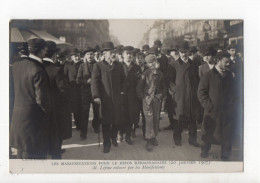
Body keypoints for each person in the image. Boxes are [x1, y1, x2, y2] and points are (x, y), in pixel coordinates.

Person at [10, 38, 51, 159]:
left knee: (21, 154)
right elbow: (41, 99)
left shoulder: (16, 65)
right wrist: (49, 112)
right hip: (34, 121)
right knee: (35, 158)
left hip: (18, 117)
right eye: (45, 49)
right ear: (42, 50)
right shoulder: (38, 69)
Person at [198, 51, 235, 160]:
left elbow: (234, 92)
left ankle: (225, 154)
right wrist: (209, 107)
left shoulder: (229, 75)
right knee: (209, 133)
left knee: (227, 133)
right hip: (212, 112)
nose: (228, 64)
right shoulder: (208, 75)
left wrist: (232, 106)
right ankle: (205, 150)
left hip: (227, 111)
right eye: (226, 62)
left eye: (229, 62)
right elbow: (201, 93)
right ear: (218, 61)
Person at [91, 41, 125, 153]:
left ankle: (113, 137)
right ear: (104, 54)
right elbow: (94, 82)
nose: (113, 54)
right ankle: (107, 143)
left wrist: (122, 91)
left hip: (117, 99)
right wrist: (96, 96)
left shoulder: (119, 65)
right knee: (106, 122)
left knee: (117, 121)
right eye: (110, 52)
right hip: (105, 99)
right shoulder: (98, 66)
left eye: (113, 52)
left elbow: (124, 80)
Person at [167, 41, 201, 147]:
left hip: (191, 96)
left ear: (188, 51)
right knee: (178, 119)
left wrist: (196, 91)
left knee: (192, 119)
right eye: (181, 52)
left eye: (185, 52)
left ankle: (193, 139)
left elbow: (197, 79)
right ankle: (177, 138)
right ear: (178, 52)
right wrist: (174, 90)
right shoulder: (173, 65)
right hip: (179, 97)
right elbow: (169, 80)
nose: (183, 54)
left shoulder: (194, 64)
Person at [42, 41, 71, 159]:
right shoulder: (56, 70)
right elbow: (64, 91)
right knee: (56, 137)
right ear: (54, 55)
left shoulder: (37, 67)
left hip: (41, 109)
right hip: (56, 110)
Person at [136, 54, 167, 151]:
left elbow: (164, 88)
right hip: (147, 101)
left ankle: (154, 137)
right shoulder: (145, 74)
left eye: (153, 62)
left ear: (156, 62)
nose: (151, 64)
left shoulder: (160, 74)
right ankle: (149, 139)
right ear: (147, 64)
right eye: (149, 63)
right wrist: (144, 98)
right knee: (149, 120)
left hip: (156, 100)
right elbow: (139, 88)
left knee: (155, 120)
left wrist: (160, 96)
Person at [76, 47, 100, 139]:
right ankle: (83, 132)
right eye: (88, 54)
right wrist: (86, 81)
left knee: (96, 111)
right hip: (85, 93)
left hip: (96, 92)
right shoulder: (82, 66)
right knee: (84, 112)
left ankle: (96, 126)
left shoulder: (98, 65)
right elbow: (78, 80)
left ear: (94, 55)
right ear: (85, 56)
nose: (90, 56)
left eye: (91, 54)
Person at [120, 46, 142, 145]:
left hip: (133, 96)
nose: (129, 56)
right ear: (123, 55)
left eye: (130, 54)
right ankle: (120, 133)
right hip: (121, 96)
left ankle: (128, 136)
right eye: (127, 54)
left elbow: (140, 82)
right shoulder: (118, 66)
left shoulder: (136, 67)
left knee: (130, 116)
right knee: (121, 115)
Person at [64, 52, 82, 130]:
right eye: (75, 56)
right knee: (74, 107)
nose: (77, 58)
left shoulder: (82, 64)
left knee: (81, 107)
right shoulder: (67, 65)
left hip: (81, 88)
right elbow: (64, 77)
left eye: (78, 56)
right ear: (71, 57)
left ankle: (80, 124)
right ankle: (77, 123)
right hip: (72, 89)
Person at [134, 52, 149, 138]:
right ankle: (133, 131)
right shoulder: (133, 68)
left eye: (141, 58)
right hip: (135, 96)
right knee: (135, 115)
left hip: (145, 95)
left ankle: (145, 133)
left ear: (144, 59)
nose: (139, 60)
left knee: (145, 115)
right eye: (138, 58)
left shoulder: (148, 69)